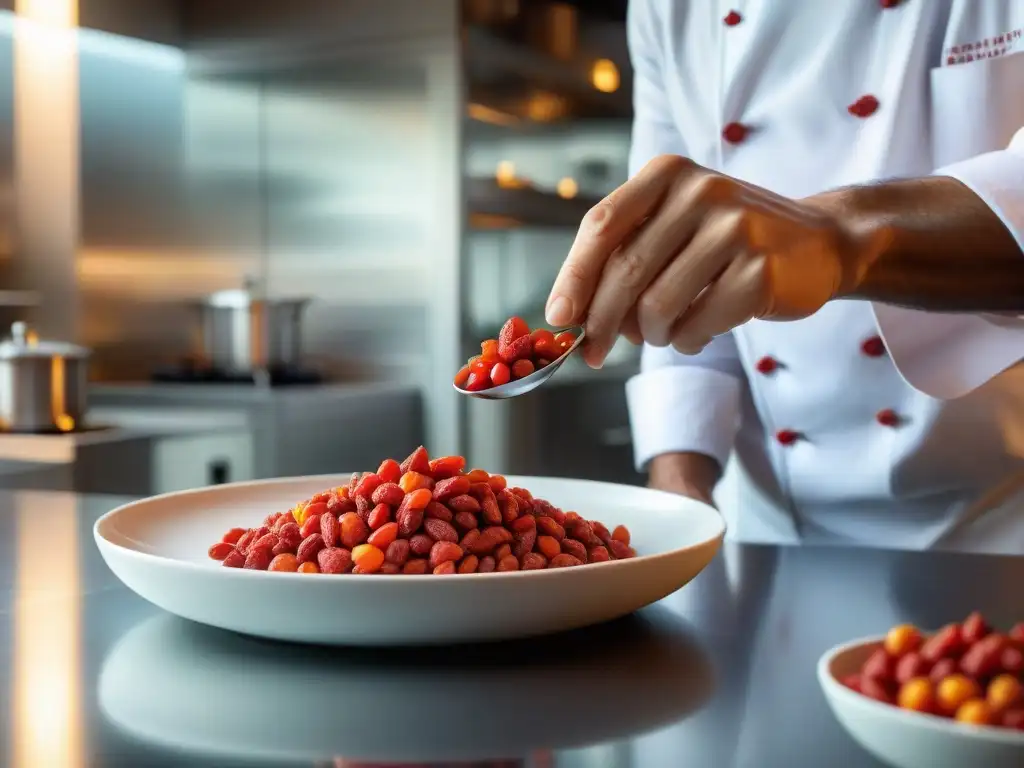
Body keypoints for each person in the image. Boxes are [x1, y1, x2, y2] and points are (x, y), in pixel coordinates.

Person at [546, 1, 1024, 553]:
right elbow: (671, 271)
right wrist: (680, 483)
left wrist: (838, 235)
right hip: (767, 535)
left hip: (1001, 529)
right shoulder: (666, 9)